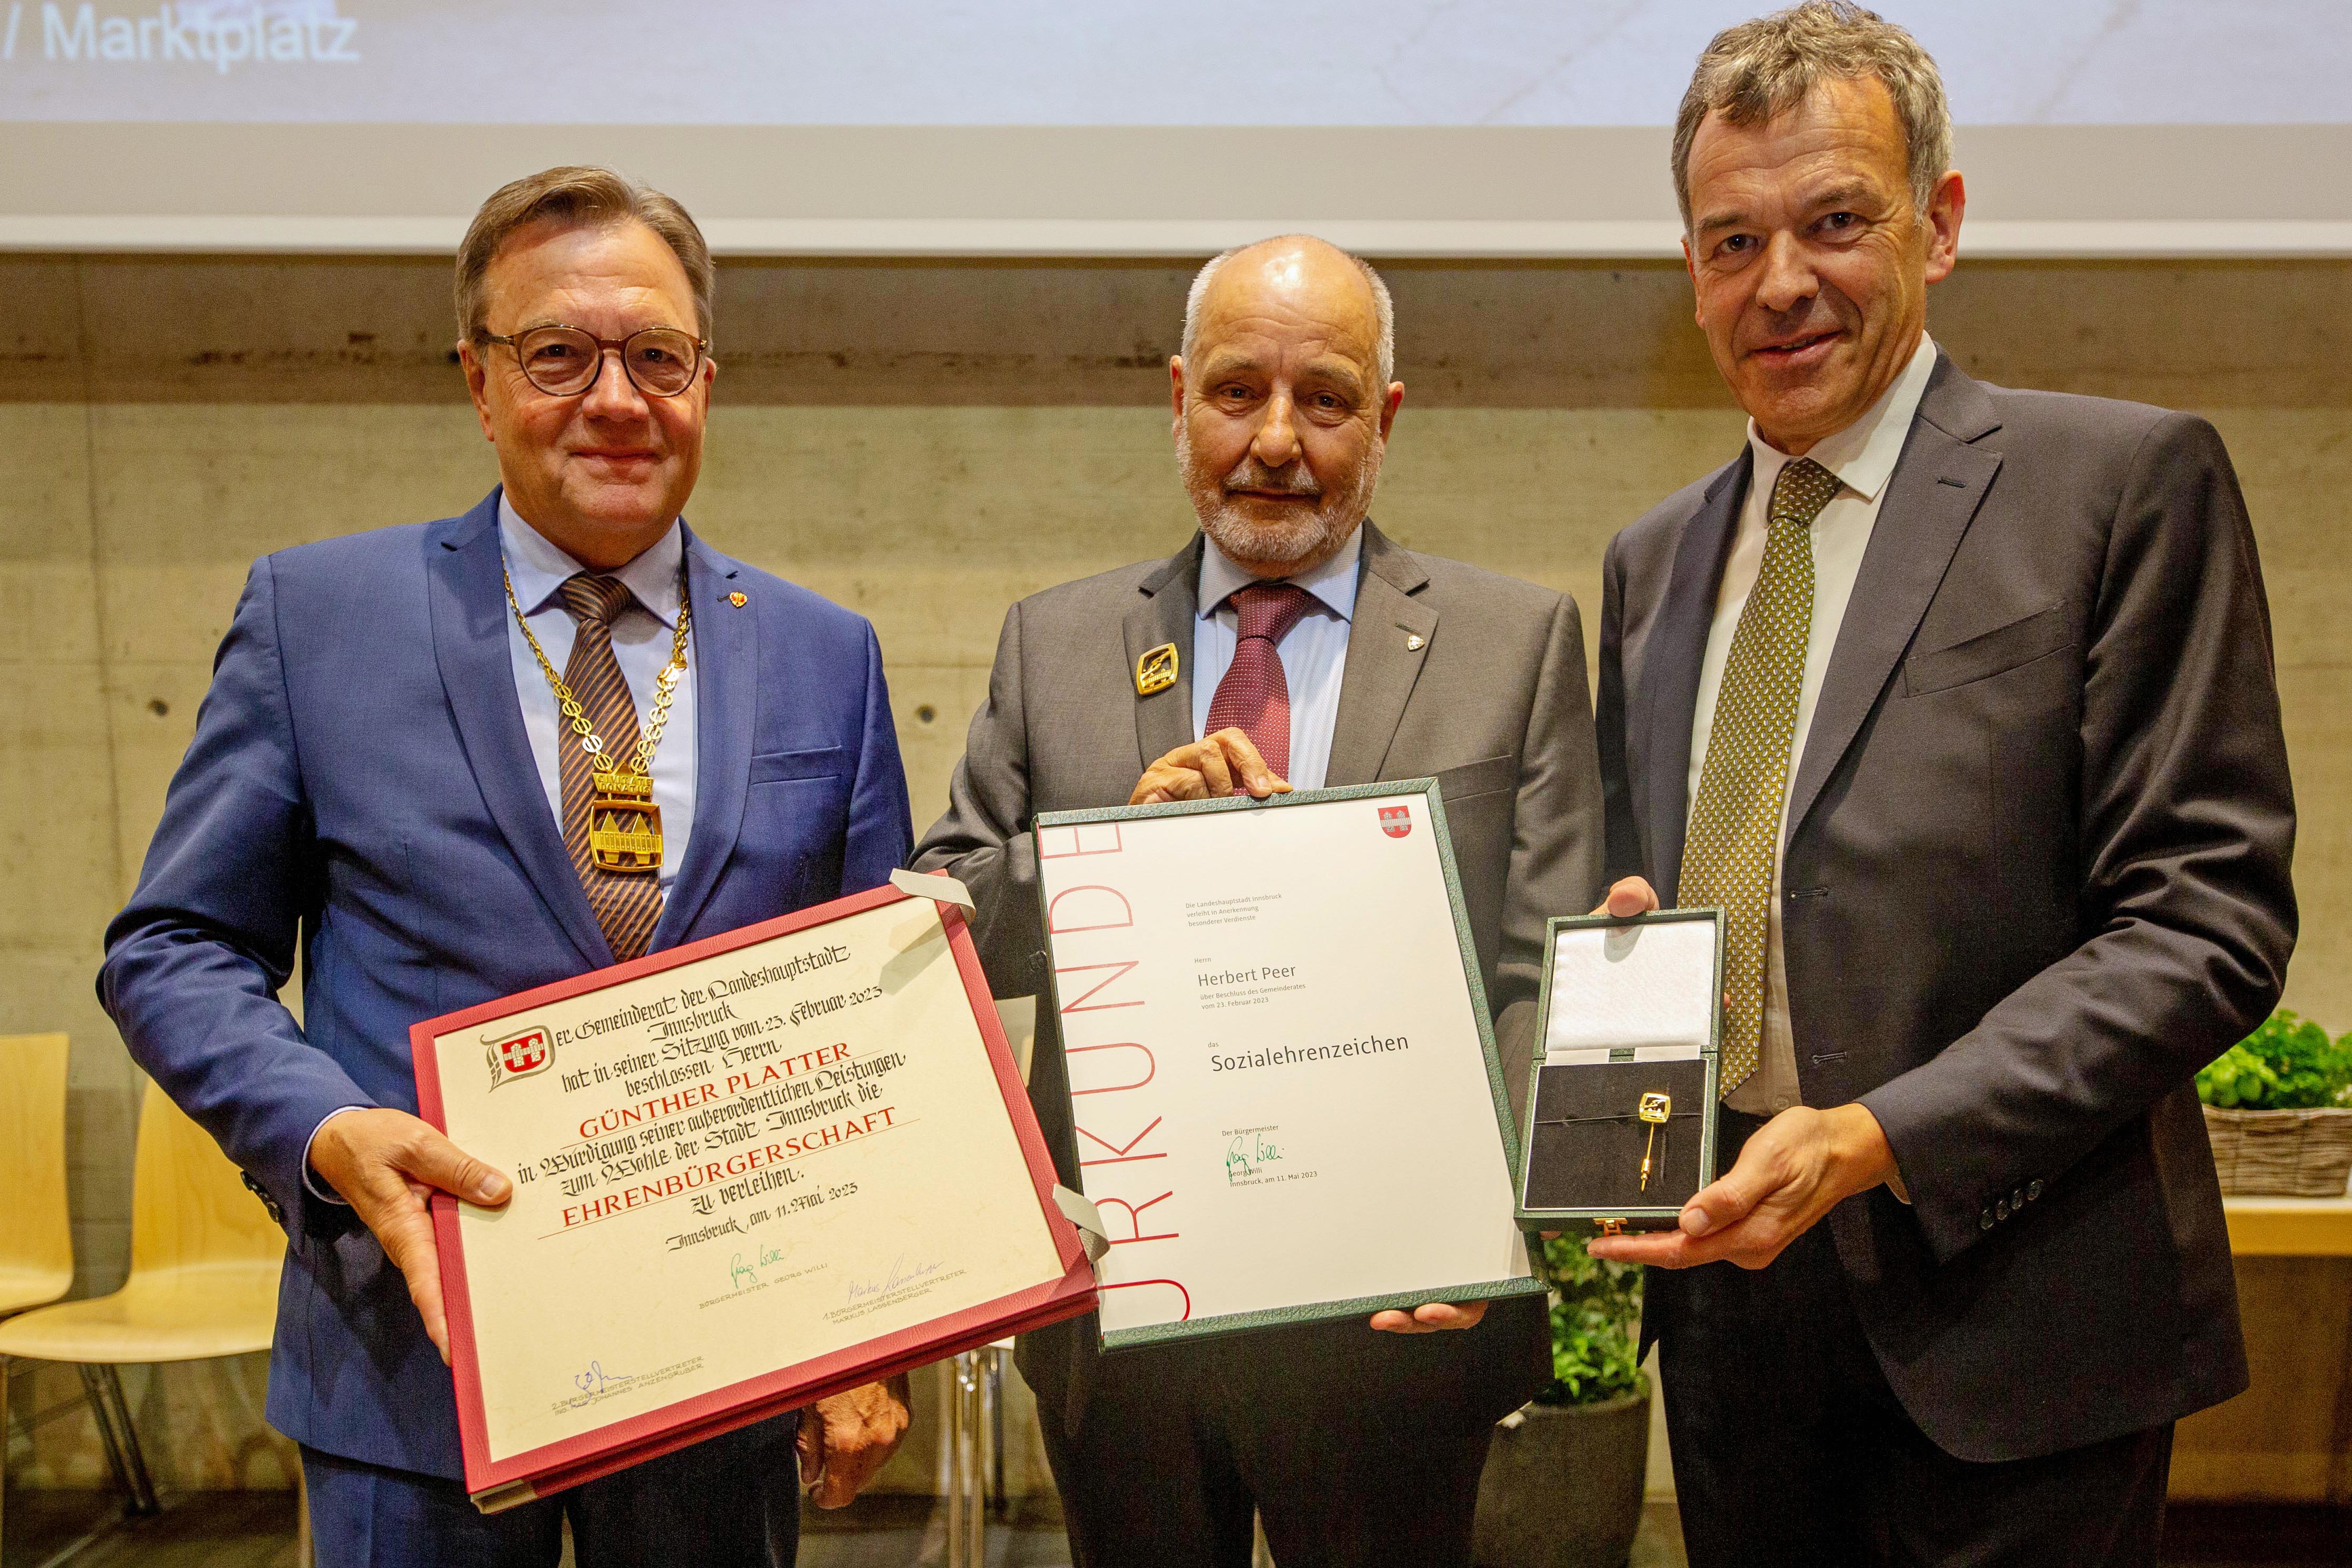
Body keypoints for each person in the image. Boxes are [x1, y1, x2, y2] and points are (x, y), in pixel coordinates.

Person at [98, 167, 915, 1565]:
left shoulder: (822, 655)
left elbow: (874, 1016)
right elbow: (172, 945)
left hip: (723, 1372)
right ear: (478, 381)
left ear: (705, 379)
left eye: (656, 354)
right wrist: (320, 1129)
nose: (615, 396)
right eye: (557, 354)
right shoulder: (320, 617)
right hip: (414, 1376)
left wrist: (870, 1321)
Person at [1585, 7, 2297, 1564]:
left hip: (2017, 1319)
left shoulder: (2116, 485)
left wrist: (1880, 1130)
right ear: (1688, 268)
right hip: (1732, 1329)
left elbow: (2206, 922)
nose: (1779, 282)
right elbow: (1651, 894)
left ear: (1941, 221)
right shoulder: (1648, 565)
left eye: (1834, 221)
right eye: (1729, 239)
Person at [912, 234, 1603, 1567]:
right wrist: (1097, 854)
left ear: (1383, 420)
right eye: (1236, 392)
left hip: (1396, 1326)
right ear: (1178, 399)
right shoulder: (1051, 644)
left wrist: (1476, 1222)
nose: (1276, 440)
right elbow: (937, 913)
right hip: (1127, 1330)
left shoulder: (1511, 643)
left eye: (1325, 399)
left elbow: (1543, 971)